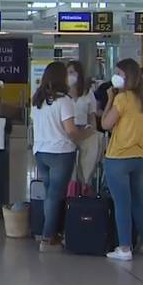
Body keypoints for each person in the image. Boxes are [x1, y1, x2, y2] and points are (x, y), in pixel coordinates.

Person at [31, 62, 93, 252]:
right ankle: (48, 238)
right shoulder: (64, 101)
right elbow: (71, 131)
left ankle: (48, 233)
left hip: (41, 152)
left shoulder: (37, 101)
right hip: (60, 153)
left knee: (49, 192)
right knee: (54, 195)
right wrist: (86, 133)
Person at [100, 58, 143, 261]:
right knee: (137, 201)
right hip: (140, 157)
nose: (115, 77)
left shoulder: (122, 100)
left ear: (127, 76)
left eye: (118, 74)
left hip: (119, 157)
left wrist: (109, 100)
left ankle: (124, 248)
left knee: (122, 203)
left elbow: (106, 124)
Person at [67, 61, 101, 190]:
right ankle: (72, 185)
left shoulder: (88, 93)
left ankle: (85, 182)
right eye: (67, 73)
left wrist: (92, 129)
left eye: (72, 72)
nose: (69, 76)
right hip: (68, 130)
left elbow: (92, 118)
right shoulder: (62, 94)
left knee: (92, 145)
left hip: (84, 129)